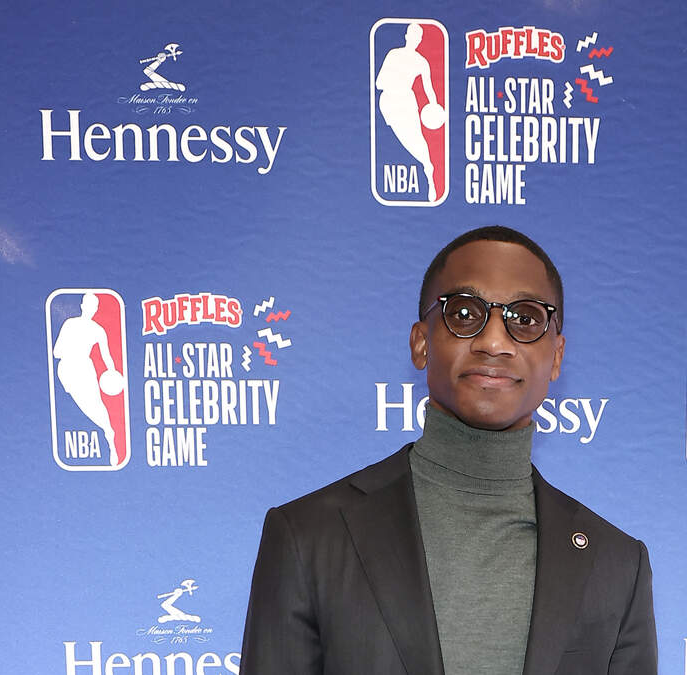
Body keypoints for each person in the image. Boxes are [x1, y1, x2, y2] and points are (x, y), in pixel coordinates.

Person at [239, 226, 657, 674]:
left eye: (525, 319)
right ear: (421, 343)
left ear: (555, 357)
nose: (494, 342)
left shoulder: (618, 565)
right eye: (464, 313)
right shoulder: (307, 537)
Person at [53, 292, 121, 466]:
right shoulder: (70, 324)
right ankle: (108, 432)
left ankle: (110, 438)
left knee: (95, 404)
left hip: (84, 369)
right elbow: (56, 352)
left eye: (93, 306)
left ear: (95, 309)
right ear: (83, 306)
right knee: (85, 405)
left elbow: (107, 356)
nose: (91, 309)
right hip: (68, 370)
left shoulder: (98, 330)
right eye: (89, 305)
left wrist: (112, 372)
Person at [376, 23, 440, 201]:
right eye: (412, 35)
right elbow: (379, 83)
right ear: (406, 36)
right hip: (389, 102)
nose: (415, 40)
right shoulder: (393, 54)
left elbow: (429, 88)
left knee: (418, 139)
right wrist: (395, 79)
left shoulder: (422, 62)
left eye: (418, 37)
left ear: (420, 40)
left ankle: (429, 172)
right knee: (402, 139)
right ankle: (426, 166)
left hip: (407, 102)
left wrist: (434, 105)